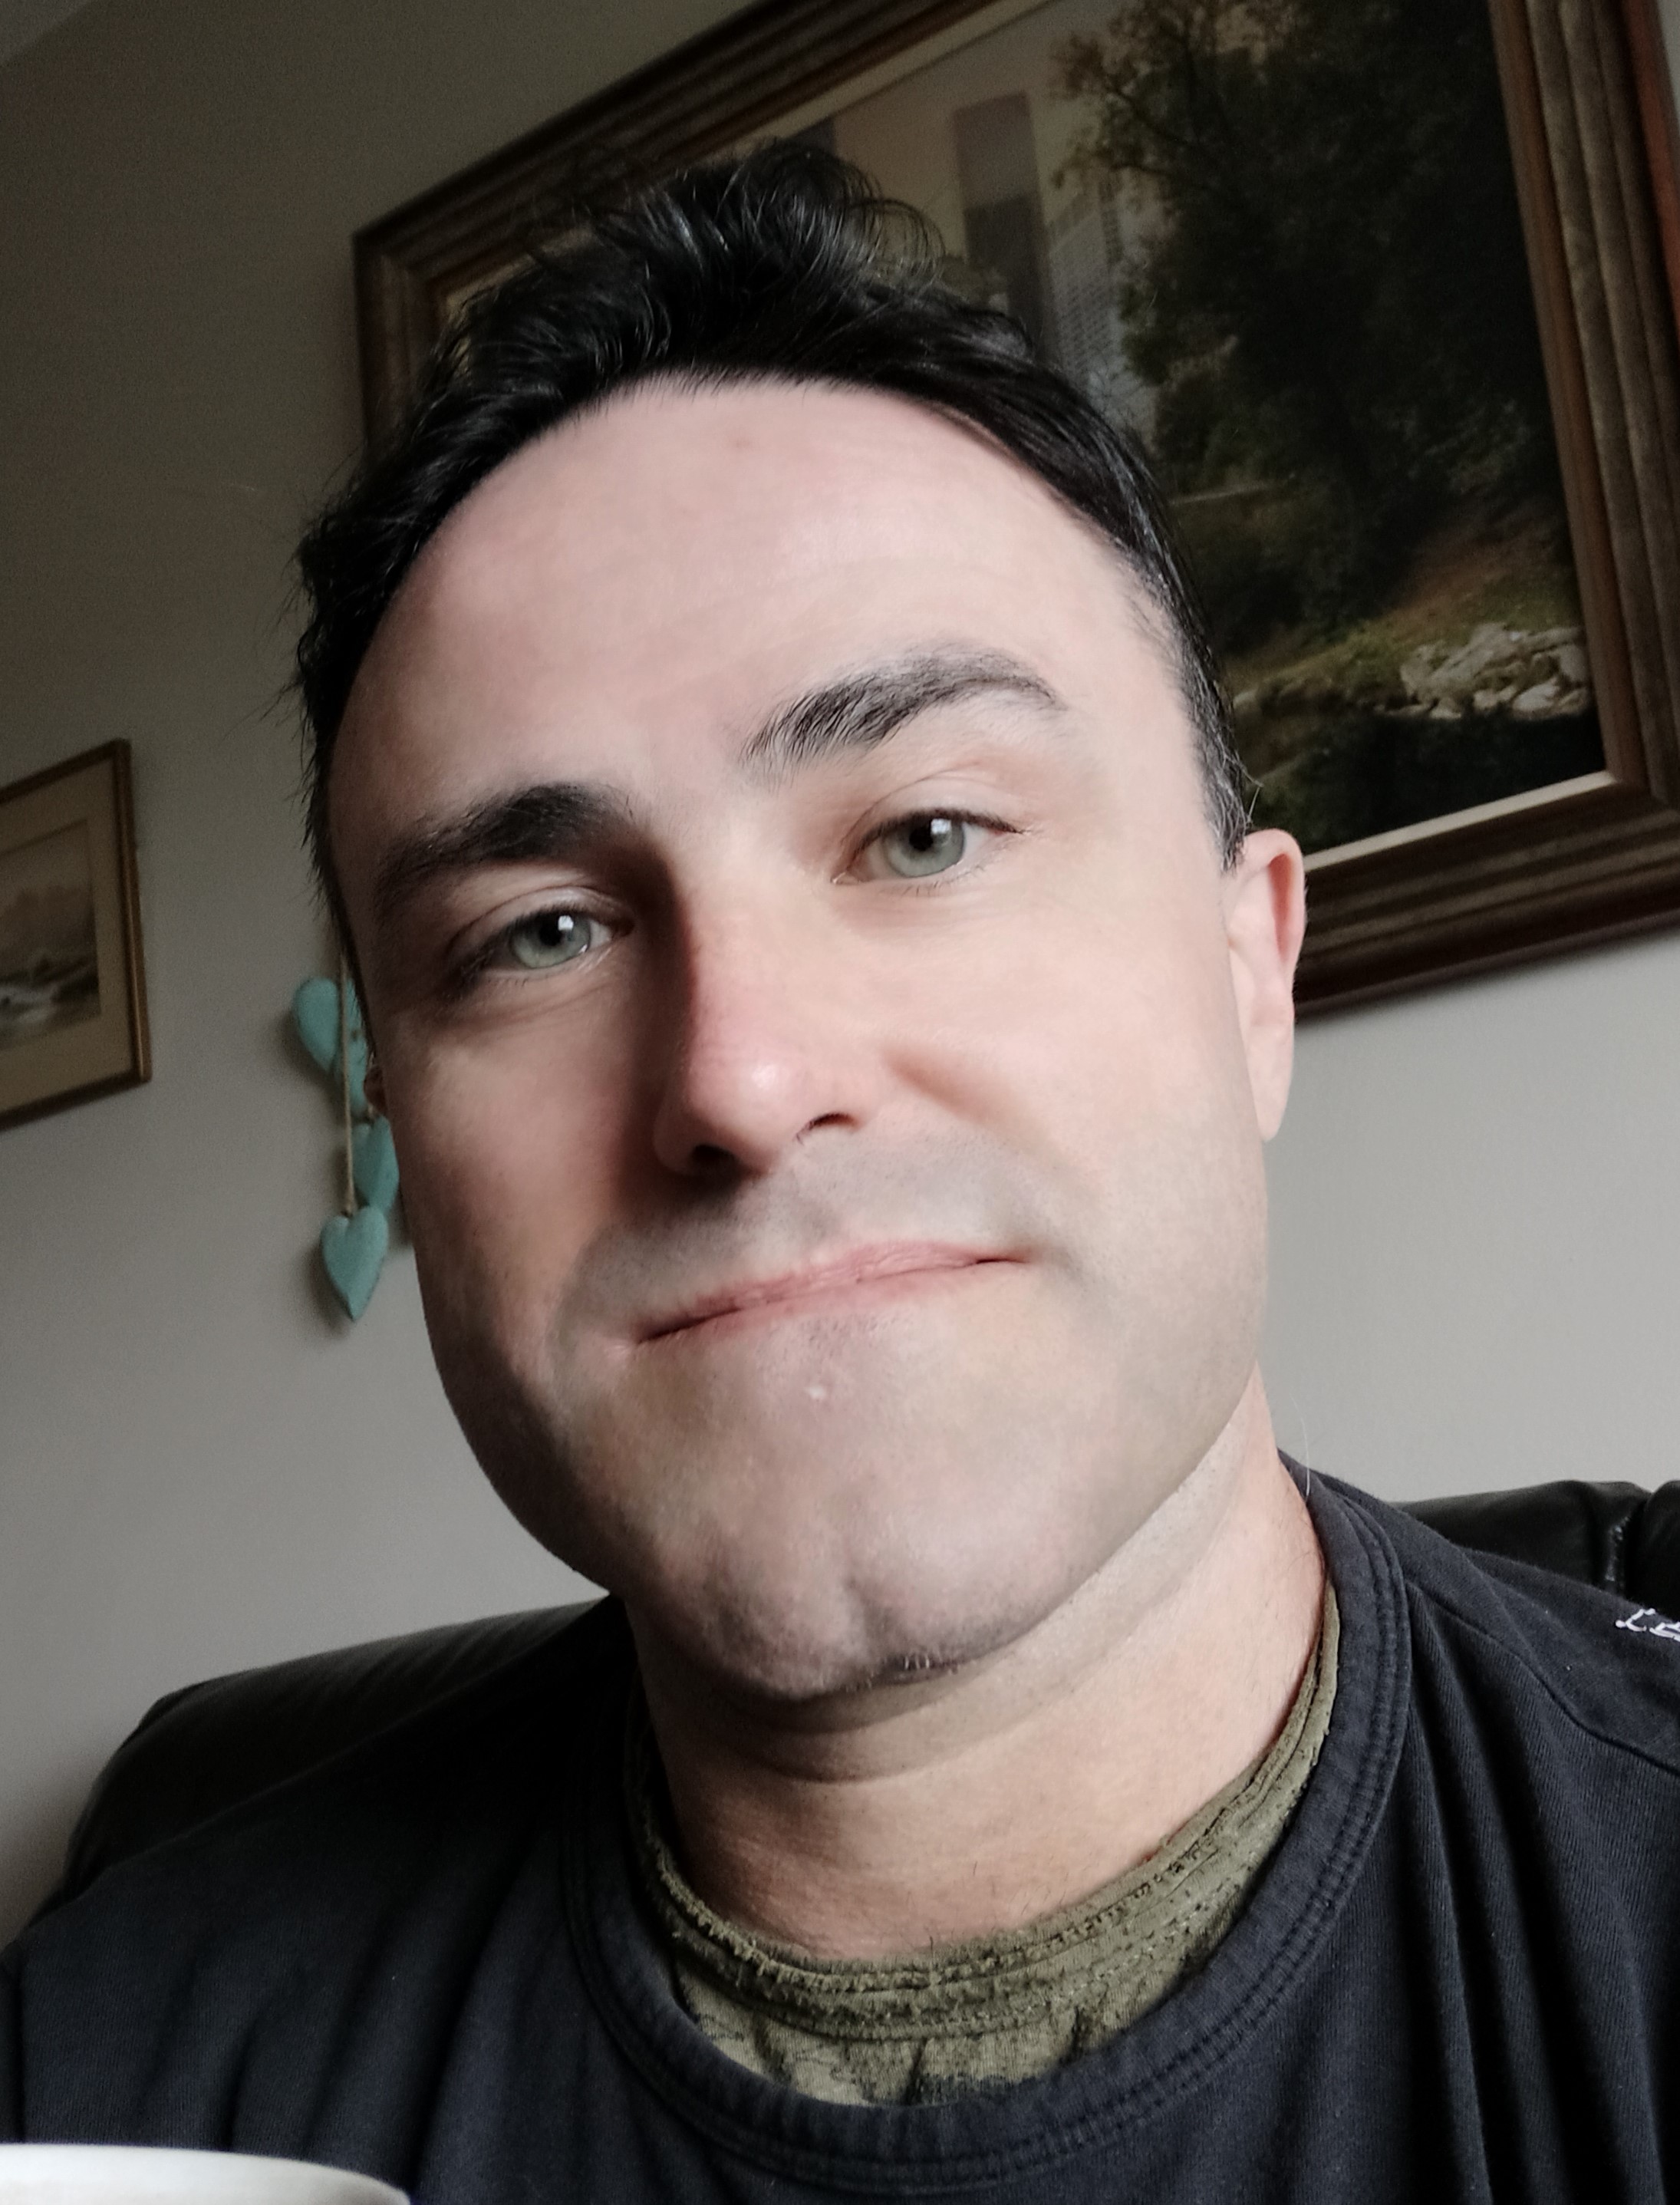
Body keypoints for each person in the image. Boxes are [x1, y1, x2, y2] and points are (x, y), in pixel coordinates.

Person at [5, 144, 1680, 2202]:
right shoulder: (91, 2088)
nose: (739, 1076)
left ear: (1253, 969)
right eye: (537, 933)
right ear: (400, 1142)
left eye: (924, 834)